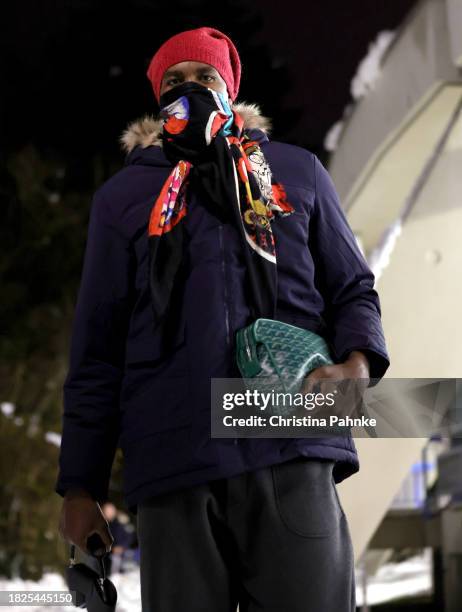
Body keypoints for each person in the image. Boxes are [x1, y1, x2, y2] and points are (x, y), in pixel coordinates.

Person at [56, 26, 390, 611]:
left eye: (204, 76)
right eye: (173, 82)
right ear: (157, 101)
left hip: (290, 446)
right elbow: (99, 353)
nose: (190, 88)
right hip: (173, 464)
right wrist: (81, 486)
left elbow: (353, 289)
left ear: (229, 89)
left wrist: (357, 366)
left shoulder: (298, 171)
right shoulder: (123, 199)